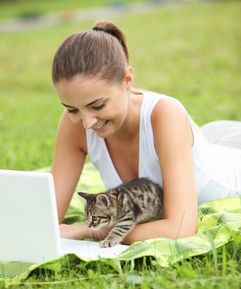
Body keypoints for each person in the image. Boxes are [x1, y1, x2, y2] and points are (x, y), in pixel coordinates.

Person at [51, 20, 241, 244]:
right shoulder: (75, 124)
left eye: (98, 105)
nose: (86, 123)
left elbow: (180, 228)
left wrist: (88, 230)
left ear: (127, 80)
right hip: (211, 140)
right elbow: (47, 217)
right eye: (72, 109)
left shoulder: (165, 114)